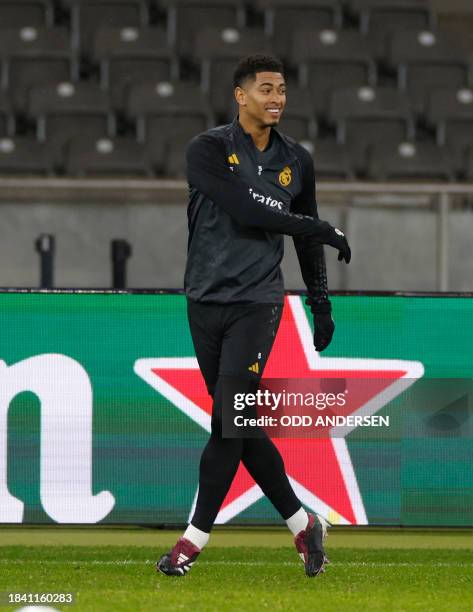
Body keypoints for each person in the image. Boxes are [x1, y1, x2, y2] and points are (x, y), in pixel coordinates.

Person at [157, 54, 351, 578]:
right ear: (240, 95)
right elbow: (250, 211)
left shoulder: (297, 160)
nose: (276, 99)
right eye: (266, 89)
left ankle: (190, 542)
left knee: (228, 422)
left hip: (257, 304)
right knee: (242, 425)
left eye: (282, 89)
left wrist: (320, 303)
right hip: (203, 302)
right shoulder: (208, 150)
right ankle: (302, 523)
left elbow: (302, 236)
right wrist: (318, 229)